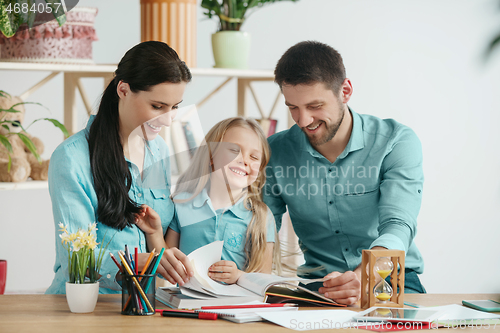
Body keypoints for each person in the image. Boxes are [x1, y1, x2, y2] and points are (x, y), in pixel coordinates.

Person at [263, 41, 425, 305]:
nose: (303, 120)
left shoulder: (396, 141)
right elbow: (263, 227)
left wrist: (365, 276)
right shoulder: (275, 151)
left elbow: (398, 224)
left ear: (345, 91)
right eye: (293, 107)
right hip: (319, 288)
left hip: (392, 278)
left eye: (315, 106)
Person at [46, 41, 194, 294]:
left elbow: (157, 239)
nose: (168, 120)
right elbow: (76, 259)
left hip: (142, 305)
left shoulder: (159, 150)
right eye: (157, 106)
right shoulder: (71, 158)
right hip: (87, 306)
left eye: (174, 108)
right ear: (123, 90)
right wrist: (141, 262)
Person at [135, 117, 280, 284]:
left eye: (254, 157)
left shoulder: (261, 216)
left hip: (236, 307)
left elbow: (264, 281)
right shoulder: (181, 204)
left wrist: (239, 276)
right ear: (211, 155)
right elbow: (167, 265)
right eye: (234, 150)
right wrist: (154, 233)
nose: (245, 160)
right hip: (188, 305)